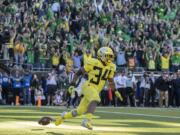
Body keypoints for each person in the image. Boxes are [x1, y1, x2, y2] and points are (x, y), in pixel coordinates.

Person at [38, 47, 122, 130]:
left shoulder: (112, 66)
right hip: (88, 86)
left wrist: (115, 91)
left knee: (80, 111)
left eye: (110, 56)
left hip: (95, 90)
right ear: (101, 55)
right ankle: (87, 121)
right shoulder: (93, 62)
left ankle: (62, 117)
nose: (109, 58)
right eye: (107, 56)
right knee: (96, 98)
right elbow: (78, 73)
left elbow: (110, 80)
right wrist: (72, 84)